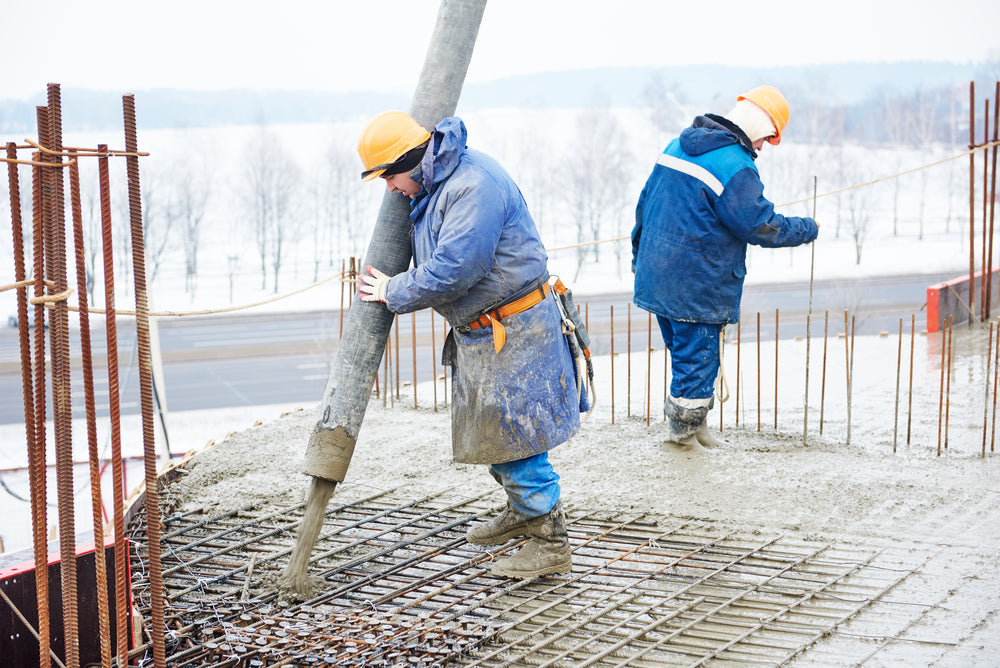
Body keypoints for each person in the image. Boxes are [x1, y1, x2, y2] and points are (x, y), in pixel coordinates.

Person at [355, 110, 589, 579]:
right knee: (500, 440)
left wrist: (392, 290)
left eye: (390, 176)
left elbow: (456, 269)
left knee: (520, 443)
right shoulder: (441, 182)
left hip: (516, 330)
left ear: (412, 159)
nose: (390, 188)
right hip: (492, 330)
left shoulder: (471, 186)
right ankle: (524, 512)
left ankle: (549, 541)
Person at [631, 85, 819, 449]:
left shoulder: (675, 147)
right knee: (697, 361)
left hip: (657, 277)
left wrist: (639, 261)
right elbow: (760, 225)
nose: (763, 147)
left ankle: (695, 430)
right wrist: (807, 228)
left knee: (687, 360)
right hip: (696, 286)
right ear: (758, 126)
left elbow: (644, 205)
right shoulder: (736, 166)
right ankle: (681, 441)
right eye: (767, 137)